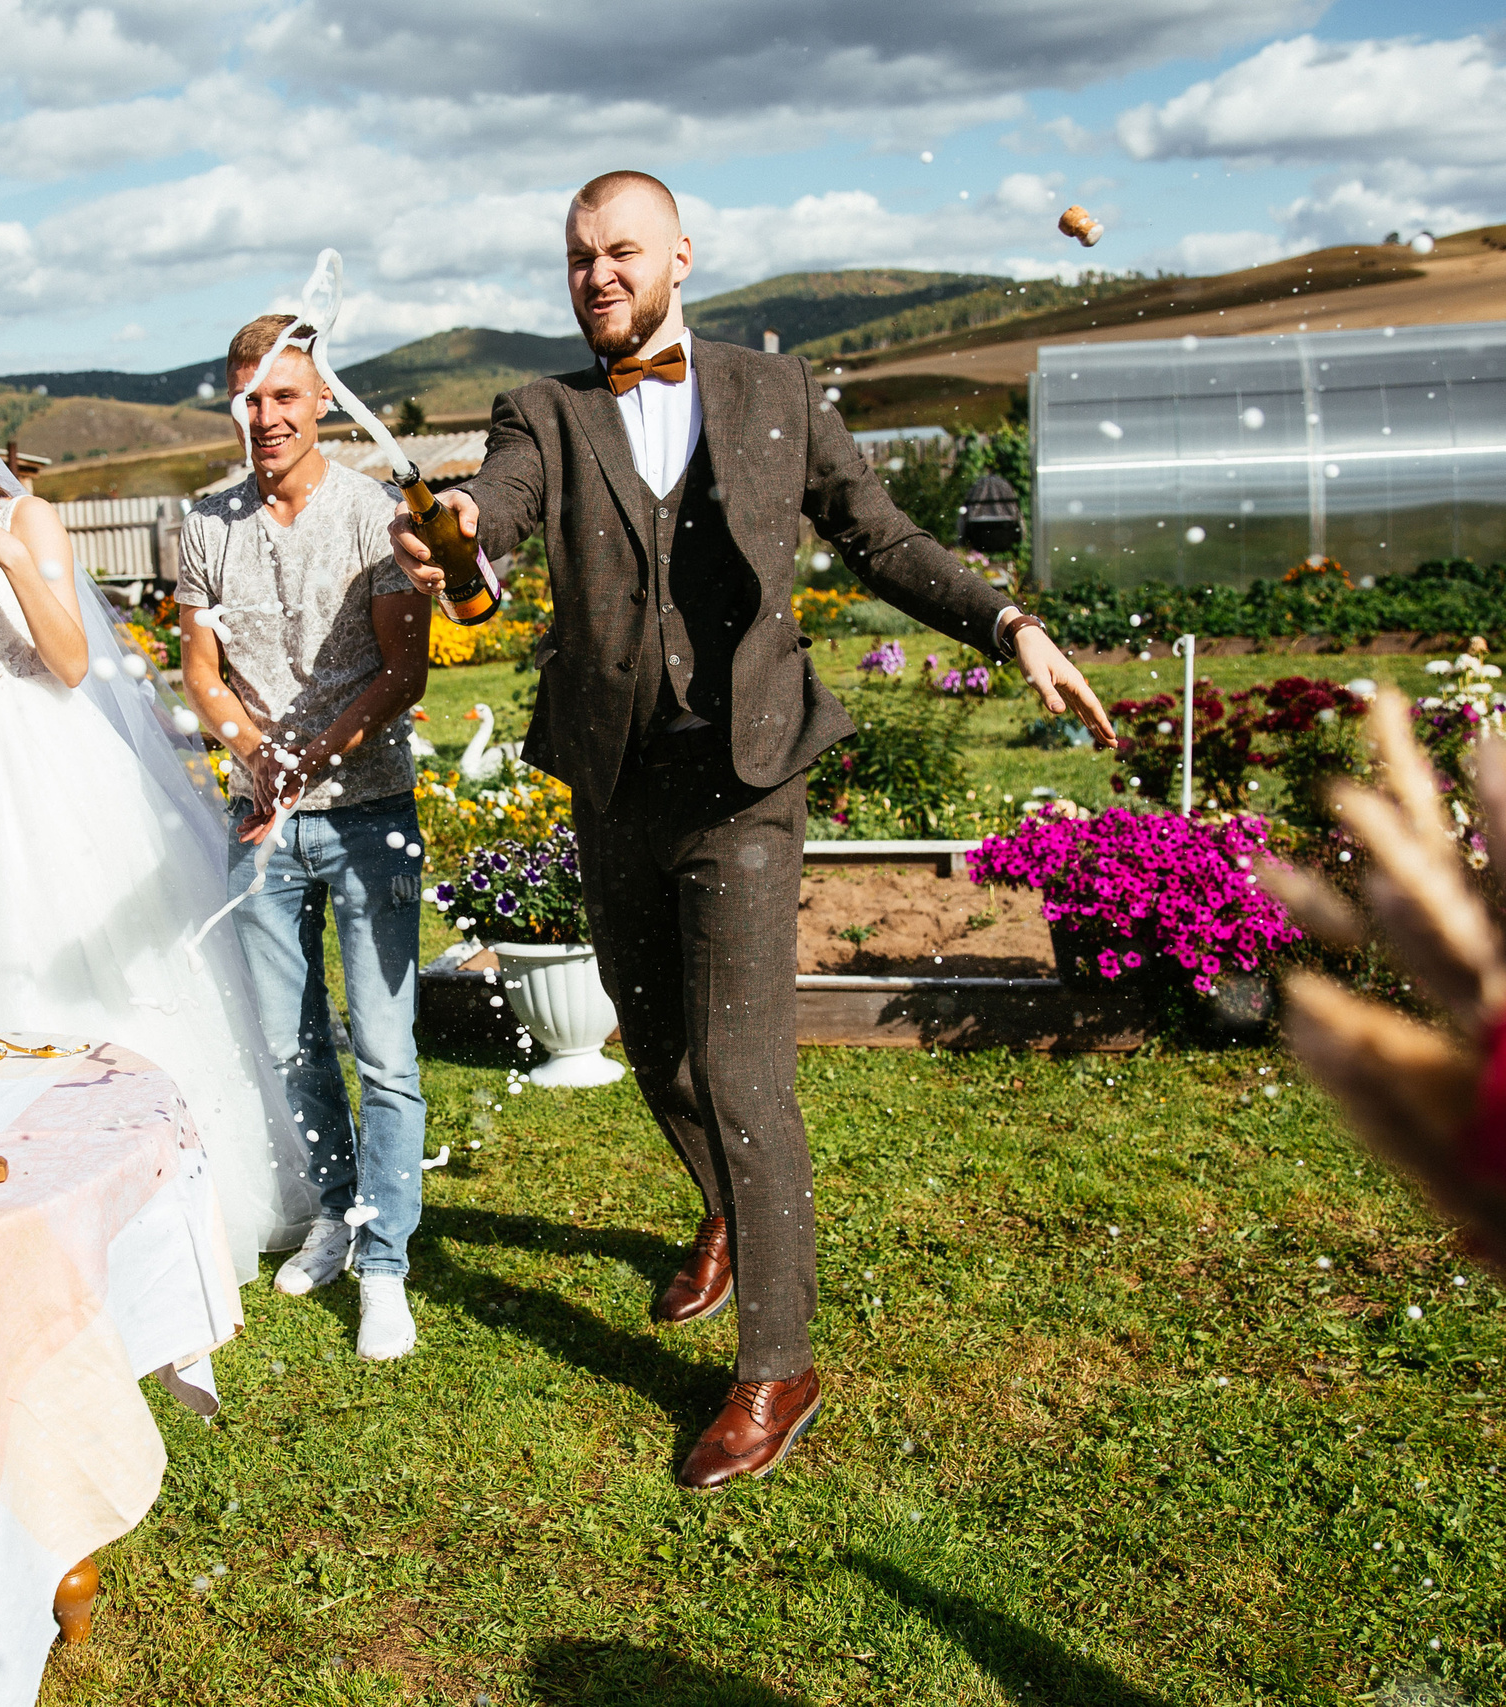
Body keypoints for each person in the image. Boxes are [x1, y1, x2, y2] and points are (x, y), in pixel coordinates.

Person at [395, 171, 1114, 1485]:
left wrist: (1009, 624)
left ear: (680, 255)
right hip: (614, 783)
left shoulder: (780, 398)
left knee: (741, 1067)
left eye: (620, 251)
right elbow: (489, 522)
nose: (596, 274)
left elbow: (882, 539)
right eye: (576, 257)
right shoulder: (541, 412)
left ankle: (777, 1365)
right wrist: (460, 550)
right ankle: (724, 1211)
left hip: (749, 779)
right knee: (658, 1047)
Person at [0, 369, 313, 1282]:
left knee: (80, 970)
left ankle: (132, 1189)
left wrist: (5, 560)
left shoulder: (30, 524)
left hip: (48, 767)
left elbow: (67, 663)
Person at [177, 315, 433, 1360]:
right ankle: (337, 1210)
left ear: (321, 399)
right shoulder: (202, 521)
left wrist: (310, 757)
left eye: (285, 396)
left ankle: (386, 1263)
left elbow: (403, 673)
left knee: (384, 1051)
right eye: (249, 398)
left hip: (366, 812)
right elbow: (199, 670)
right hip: (259, 823)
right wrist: (252, 754)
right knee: (290, 1044)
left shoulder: (377, 518)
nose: (266, 417)